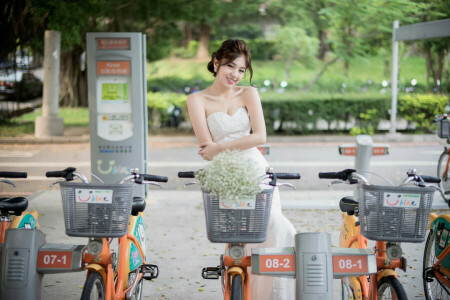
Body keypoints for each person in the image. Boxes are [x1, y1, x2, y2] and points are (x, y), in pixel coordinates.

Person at [187, 39, 297, 300]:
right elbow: (206, 146)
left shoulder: (249, 93)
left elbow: (260, 138)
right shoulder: (197, 99)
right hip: (223, 174)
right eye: (230, 66)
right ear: (216, 63)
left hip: (256, 169)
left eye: (241, 70)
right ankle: (239, 288)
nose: (235, 74)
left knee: (272, 227)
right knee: (238, 236)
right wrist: (215, 150)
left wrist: (219, 148)